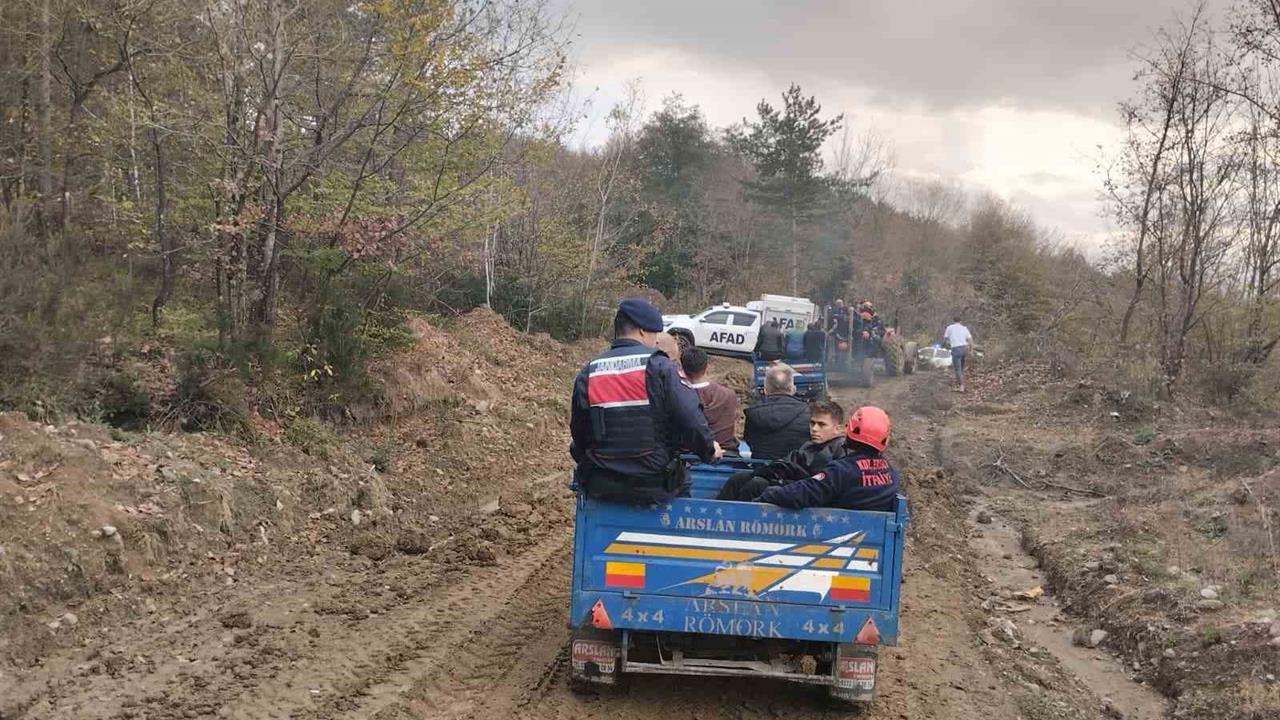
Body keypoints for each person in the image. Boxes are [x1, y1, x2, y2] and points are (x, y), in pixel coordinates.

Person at [570, 298, 722, 505]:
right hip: (652, 483)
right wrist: (709, 450)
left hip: (603, 483)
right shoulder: (660, 366)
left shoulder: (590, 371)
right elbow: (689, 417)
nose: (655, 341)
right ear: (642, 331)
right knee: (683, 481)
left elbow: (579, 432)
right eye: (654, 335)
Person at [755, 406, 900, 512]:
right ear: (884, 439)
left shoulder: (842, 470)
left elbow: (801, 493)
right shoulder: (891, 474)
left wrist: (766, 495)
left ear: (848, 431)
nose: (814, 429)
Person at [716, 400, 847, 501]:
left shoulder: (839, 450)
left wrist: (778, 481)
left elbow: (816, 482)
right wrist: (766, 473)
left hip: (806, 494)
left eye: (821, 424)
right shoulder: (809, 446)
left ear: (838, 429)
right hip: (792, 484)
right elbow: (787, 464)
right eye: (812, 423)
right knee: (740, 478)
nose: (814, 429)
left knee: (756, 485)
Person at [743, 364, 810, 460]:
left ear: (765, 390)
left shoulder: (754, 413)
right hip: (797, 470)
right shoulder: (807, 412)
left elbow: (750, 441)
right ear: (792, 388)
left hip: (763, 470)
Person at [682, 347, 739, 450]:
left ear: (683, 371)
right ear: (707, 367)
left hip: (690, 456)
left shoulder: (678, 398)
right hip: (726, 453)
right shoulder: (729, 395)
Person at [942, 315, 973, 392]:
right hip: (964, 348)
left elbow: (945, 340)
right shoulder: (964, 328)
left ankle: (961, 386)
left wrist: (947, 346)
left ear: (953, 320)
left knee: (957, 369)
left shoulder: (949, 328)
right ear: (960, 321)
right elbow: (970, 339)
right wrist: (971, 349)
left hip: (956, 349)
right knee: (961, 368)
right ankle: (959, 383)